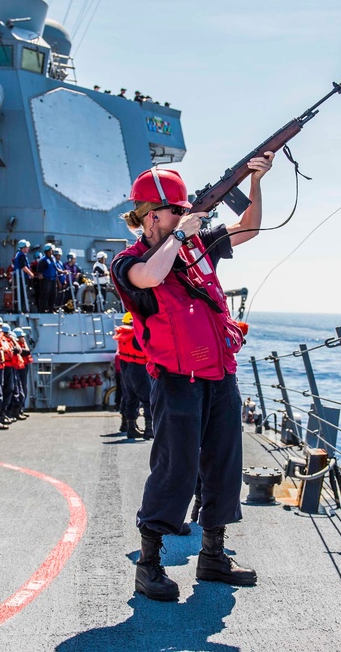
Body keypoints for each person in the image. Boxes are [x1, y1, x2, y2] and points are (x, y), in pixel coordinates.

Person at [111, 155, 273, 601]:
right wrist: (183, 234)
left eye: (187, 210)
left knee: (224, 464)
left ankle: (213, 555)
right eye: (177, 211)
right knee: (175, 469)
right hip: (176, 380)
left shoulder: (197, 247)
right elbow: (150, 276)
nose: (185, 216)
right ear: (151, 215)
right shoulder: (128, 261)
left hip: (219, 375)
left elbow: (250, 227)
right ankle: (149, 565)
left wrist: (256, 182)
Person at [114, 312, 150, 440]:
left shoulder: (123, 335)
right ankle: (150, 430)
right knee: (148, 400)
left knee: (130, 399)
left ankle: (130, 428)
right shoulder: (137, 335)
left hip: (126, 369)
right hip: (139, 369)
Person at [11, 239, 34, 313]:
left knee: (19, 294)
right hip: (21, 278)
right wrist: (30, 273)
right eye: (27, 247)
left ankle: (19, 309)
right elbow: (23, 267)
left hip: (19, 277)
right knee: (22, 294)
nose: (28, 249)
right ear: (23, 248)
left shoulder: (18, 254)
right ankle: (22, 309)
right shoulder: (21, 255)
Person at [37, 244, 58, 312]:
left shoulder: (53, 258)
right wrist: (40, 275)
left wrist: (63, 272)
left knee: (53, 295)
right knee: (45, 295)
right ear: (48, 251)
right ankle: (42, 310)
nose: (52, 251)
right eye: (51, 250)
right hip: (46, 280)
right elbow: (39, 271)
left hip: (53, 280)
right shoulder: (43, 260)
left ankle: (51, 309)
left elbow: (55, 268)